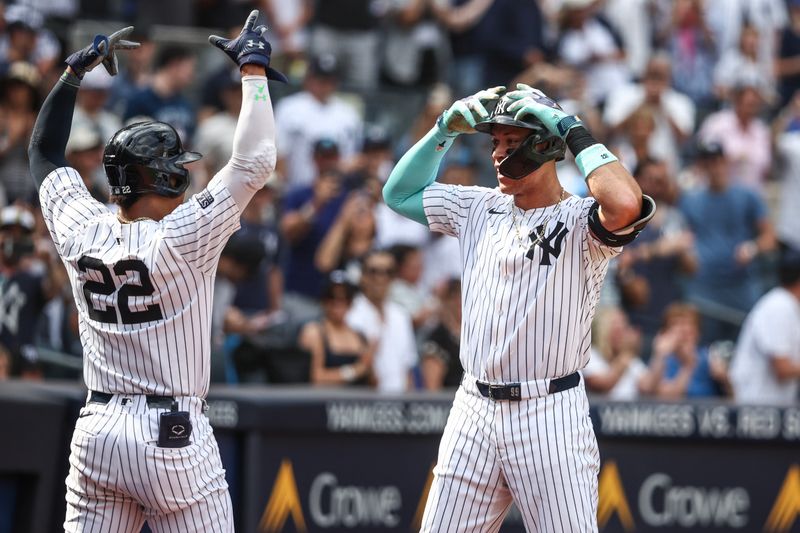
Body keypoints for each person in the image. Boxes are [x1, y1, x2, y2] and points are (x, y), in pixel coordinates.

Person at [27, 11, 284, 530]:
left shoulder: (82, 225)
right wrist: (253, 71)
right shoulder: (183, 234)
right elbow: (256, 159)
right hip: (170, 434)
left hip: (96, 429)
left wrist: (71, 77)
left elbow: (43, 152)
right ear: (162, 177)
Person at [383, 81, 654, 530]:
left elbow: (625, 204)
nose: (497, 154)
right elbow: (398, 194)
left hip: (548, 411)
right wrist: (443, 129)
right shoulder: (478, 206)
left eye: (513, 141)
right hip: (474, 405)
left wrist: (572, 129)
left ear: (546, 146)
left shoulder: (580, 219)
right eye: (495, 141)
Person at [729, 248, 800, 405]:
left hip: (771, 410)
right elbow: (782, 368)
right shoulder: (779, 306)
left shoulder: (789, 305)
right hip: (754, 409)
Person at [345, 250, 418, 392]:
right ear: (362, 276)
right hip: (365, 404)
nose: (381, 278)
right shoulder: (351, 315)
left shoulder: (401, 315)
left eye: (388, 272)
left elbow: (408, 368)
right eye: (374, 271)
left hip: (400, 406)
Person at [298, 271, 374, 386]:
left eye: (345, 297)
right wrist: (353, 372)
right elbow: (315, 377)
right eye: (332, 297)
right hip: (324, 402)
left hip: (357, 402)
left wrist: (370, 364)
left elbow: (371, 380)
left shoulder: (360, 335)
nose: (339, 303)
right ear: (323, 300)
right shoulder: (315, 332)